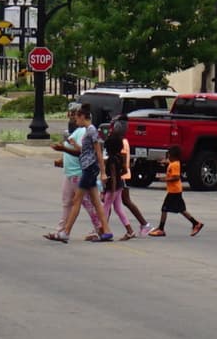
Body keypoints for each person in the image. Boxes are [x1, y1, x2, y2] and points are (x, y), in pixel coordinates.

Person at [48, 101, 104, 242]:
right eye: (71, 113)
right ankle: (61, 231)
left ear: (81, 115)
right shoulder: (75, 131)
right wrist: (63, 159)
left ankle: (100, 229)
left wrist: (64, 149)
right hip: (70, 173)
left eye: (74, 114)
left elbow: (83, 152)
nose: (72, 117)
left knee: (86, 203)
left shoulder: (85, 131)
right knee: (68, 202)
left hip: (79, 173)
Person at [97, 107, 150, 240]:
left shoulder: (115, 152)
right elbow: (125, 167)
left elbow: (115, 173)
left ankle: (103, 230)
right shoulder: (119, 150)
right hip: (120, 181)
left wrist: (111, 187)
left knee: (107, 206)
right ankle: (130, 229)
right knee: (118, 207)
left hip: (116, 184)